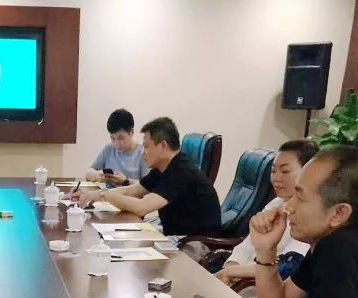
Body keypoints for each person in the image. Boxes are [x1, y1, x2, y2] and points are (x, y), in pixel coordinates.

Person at [250, 145, 358, 298]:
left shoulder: (340, 247)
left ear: (339, 213)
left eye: (300, 196)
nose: (288, 207)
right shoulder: (328, 242)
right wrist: (266, 250)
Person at [73, 117, 221, 236]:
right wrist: (93, 195)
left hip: (196, 242)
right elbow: (130, 191)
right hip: (175, 234)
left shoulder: (180, 171)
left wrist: (104, 195)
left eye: (146, 146)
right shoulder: (162, 168)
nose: (143, 153)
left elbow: (142, 207)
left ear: (162, 146)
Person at [215, 140, 317, 286]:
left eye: (285, 171)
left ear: (308, 173)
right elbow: (246, 247)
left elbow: (287, 267)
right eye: (273, 171)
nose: (276, 178)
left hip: (261, 288)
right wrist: (230, 268)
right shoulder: (276, 203)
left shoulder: (311, 217)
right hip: (237, 281)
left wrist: (232, 273)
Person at [85, 109, 149, 187]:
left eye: (121, 138)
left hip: (132, 195)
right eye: (112, 138)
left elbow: (148, 187)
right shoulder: (108, 148)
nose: (116, 143)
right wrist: (97, 175)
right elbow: (88, 172)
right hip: (108, 194)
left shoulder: (143, 152)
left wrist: (125, 181)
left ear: (131, 132)